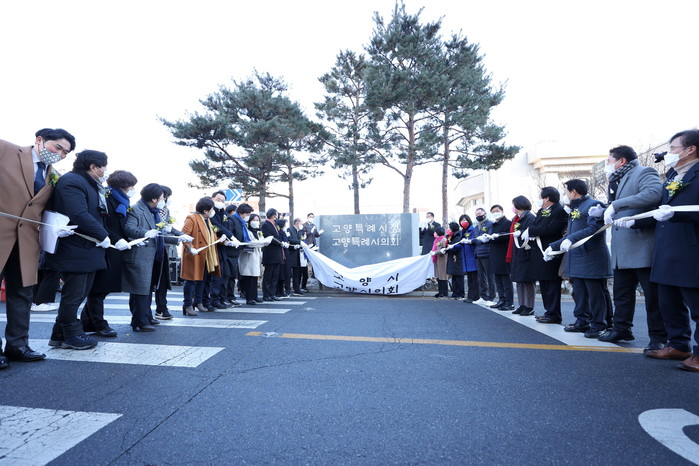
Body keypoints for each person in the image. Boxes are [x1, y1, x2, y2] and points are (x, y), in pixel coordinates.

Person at [0, 128, 75, 367]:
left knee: (22, 294)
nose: (60, 154)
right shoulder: (5, 150)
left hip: (27, 242)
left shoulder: (54, 175)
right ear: (40, 140)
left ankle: (18, 346)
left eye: (65, 153)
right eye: (58, 147)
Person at [633, 130, 699, 370]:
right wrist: (633, 221)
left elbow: (679, 211)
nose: (668, 153)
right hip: (667, 247)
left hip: (691, 248)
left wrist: (677, 215)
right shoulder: (672, 174)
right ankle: (678, 344)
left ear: (690, 149)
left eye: (673, 148)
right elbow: (662, 209)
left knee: (696, 305)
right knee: (669, 302)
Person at [594, 145, 666, 351]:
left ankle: (659, 337)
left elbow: (653, 194)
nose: (607, 165)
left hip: (642, 245)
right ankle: (621, 329)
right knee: (622, 294)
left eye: (609, 161)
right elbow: (618, 207)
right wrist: (603, 209)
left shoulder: (644, 172)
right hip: (621, 249)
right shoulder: (615, 180)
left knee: (653, 297)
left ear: (622, 161)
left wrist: (616, 205)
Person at [45, 150, 111, 350]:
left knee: (79, 293)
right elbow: (79, 213)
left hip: (85, 248)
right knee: (74, 294)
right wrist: (102, 235)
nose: (106, 171)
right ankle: (72, 334)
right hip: (76, 247)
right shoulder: (72, 181)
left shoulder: (89, 183)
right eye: (104, 167)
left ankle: (59, 334)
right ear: (93, 167)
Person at [548, 179, 612, 338]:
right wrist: (553, 246)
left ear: (573, 191)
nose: (564, 194)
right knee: (579, 292)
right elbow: (571, 234)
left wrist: (571, 239)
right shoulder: (575, 208)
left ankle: (599, 324)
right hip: (577, 256)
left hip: (592, 257)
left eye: (565, 191)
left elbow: (594, 228)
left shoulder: (593, 205)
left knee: (595, 294)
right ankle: (582, 321)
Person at [81, 170, 139, 338]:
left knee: (102, 289)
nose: (133, 189)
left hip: (115, 247)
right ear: (123, 186)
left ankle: (87, 321)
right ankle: (99, 323)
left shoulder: (122, 201)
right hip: (105, 245)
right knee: (99, 288)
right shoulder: (106, 197)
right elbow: (102, 223)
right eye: (131, 186)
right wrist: (116, 238)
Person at [122, 183, 184, 331]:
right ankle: (140, 321)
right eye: (162, 197)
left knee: (149, 288)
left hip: (155, 255)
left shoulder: (154, 212)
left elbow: (160, 234)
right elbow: (129, 228)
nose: (164, 200)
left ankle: (147, 316)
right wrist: (144, 232)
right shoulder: (136, 209)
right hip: (141, 255)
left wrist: (178, 238)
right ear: (155, 199)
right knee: (140, 290)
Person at [525, 187, 568, 324]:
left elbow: (551, 229)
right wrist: (531, 230)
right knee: (543, 283)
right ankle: (548, 311)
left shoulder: (559, 211)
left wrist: (532, 231)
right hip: (539, 252)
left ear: (547, 198)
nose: (540, 200)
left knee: (552, 284)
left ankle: (554, 313)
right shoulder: (541, 211)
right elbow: (535, 225)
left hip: (551, 252)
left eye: (541, 197)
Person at [154, 185, 194, 320]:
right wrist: (177, 239)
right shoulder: (152, 210)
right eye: (166, 197)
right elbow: (159, 232)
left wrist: (181, 235)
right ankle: (147, 313)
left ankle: (162, 308)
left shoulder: (165, 210)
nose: (167, 199)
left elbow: (168, 228)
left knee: (163, 282)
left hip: (163, 249)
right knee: (151, 283)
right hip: (153, 249)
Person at [180, 197, 221, 316]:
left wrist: (222, 240)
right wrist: (190, 248)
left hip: (206, 254)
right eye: (211, 209)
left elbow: (210, 236)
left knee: (202, 279)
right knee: (191, 281)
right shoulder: (191, 218)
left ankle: (198, 302)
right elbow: (184, 235)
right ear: (205, 211)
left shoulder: (207, 220)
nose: (213, 211)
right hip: (194, 253)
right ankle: (187, 305)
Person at [205, 190, 234, 311]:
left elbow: (224, 226)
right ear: (212, 199)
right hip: (212, 246)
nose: (220, 202)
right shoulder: (210, 212)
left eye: (222, 201)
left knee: (221, 274)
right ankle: (210, 300)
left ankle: (218, 299)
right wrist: (231, 236)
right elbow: (216, 226)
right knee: (213, 276)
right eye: (218, 200)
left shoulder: (222, 212)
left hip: (222, 246)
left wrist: (228, 238)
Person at [508, 196, 537, 316]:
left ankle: (529, 306)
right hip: (518, 252)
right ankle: (522, 304)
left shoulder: (529, 217)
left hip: (526, 252)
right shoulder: (518, 218)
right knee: (519, 280)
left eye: (514, 204)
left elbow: (531, 233)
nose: (513, 207)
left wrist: (521, 233)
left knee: (527, 281)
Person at [483, 205, 514, 310]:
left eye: (497, 210)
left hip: (504, 254)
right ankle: (501, 299)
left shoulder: (508, 223)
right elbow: (492, 237)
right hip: (495, 254)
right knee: (498, 280)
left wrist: (498, 236)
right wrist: (487, 238)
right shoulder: (493, 224)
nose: (495, 213)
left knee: (506, 280)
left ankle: (509, 302)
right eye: (493, 211)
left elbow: (509, 235)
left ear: (502, 211)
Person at [239, 213, 263, 304]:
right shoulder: (246, 231)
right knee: (249, 277)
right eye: (253, 220)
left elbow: (261, 241)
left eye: (257, 220)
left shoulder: (258, 232)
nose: (255, 222)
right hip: (248, 256)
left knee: (254, 277)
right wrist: (259, 243)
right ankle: (249, 298)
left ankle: (254, 296)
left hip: (256, 256)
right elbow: (249, 242)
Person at [472, 208, 495, 305]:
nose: (478, 215)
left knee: (490, 277)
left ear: (485, 213)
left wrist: (483, 238)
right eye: (477, 214)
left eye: (480, 213)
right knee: (481, 277)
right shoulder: (476, 227)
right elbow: (475, 239)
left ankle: (491, 297)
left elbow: (489, 237)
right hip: (478, 253)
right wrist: (471, 241)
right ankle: (483, 296)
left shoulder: (490, 224)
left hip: (487, 252)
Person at [261, 208, 285, 301]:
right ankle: (266, 295)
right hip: (270, 253)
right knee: (268, 275)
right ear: (273, 215)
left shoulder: (275, 225)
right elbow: (269, 238)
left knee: (275, 275)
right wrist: (280, 242)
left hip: (277, 253)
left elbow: (278, 235)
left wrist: (282, 241)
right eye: (276, 214)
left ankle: (272, 293)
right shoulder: (266, 225)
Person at [221, 204, 243, 307]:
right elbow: (228, 234)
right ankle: (224, 297)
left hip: (235, 252)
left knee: (232, 276)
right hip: (228, 252)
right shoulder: (230, 220)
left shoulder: (238, 221)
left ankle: (230, 297)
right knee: (227, 276)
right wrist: (230, 242)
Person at [458, 214, 479, 303]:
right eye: (461, 220)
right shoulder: (462, 231)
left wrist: (468, 241)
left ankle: (475, 296)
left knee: (474, 278)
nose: (463, 222)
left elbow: (475, 240)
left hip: (472, 255)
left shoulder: (472, 230)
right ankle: (470, 296)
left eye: (465, 220)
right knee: (470, 278)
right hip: (466, 257)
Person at [444, 222, 464, 299]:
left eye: (450, 228)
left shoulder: (458, 236)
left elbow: (456, 246)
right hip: (452, 257)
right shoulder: (451, 236)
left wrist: (449, 248)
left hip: (457, 258)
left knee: (459, 276)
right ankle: (455, 293)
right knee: (454, 276)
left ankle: (460, 293)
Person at [287, 218, 305, 296]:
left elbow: (301, 239)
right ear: (297, 223)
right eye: (301, 223)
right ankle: (287, 289)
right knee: (288, 273)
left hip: (298, 254)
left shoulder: (299, 231)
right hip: (291, 254)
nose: (302, 225)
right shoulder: (290, 229)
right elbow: (289, 239)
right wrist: (299, 242)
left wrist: (302, 242)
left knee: (297, 273)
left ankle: (297, 289)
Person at [431, 226, 449, 298]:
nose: (434, 233)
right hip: (437, 260)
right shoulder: (436, 240)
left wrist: (435, 252)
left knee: (443, 276)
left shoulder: (443, 240)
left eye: (435, 232)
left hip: (442, 260)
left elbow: (444, 250)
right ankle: (440, 292)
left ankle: (444, 292)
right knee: (438, 276)